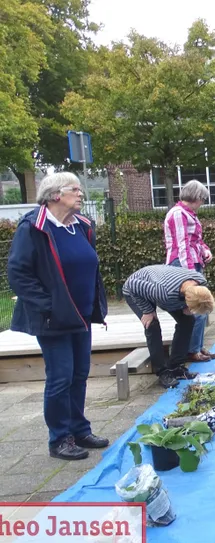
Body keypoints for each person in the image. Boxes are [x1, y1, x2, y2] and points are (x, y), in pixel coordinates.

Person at [7, 172, 109, 460]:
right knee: (60, 377)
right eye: (74, 189)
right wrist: (48, 306)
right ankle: (59, 439)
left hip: (81, 316)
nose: (81, 194)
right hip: (53, 319)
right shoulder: (34, 227)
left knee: (79, 374)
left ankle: (79, 430)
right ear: (55, 195)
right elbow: (18, 273)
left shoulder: (83, 226)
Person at [122, 264, 215, 389]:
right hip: (136, 289)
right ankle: (163, 372)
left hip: (162, 286)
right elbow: (133, 285)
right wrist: (147, 311)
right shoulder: (164, 292)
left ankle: (176, 367)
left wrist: (187, 309)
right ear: (187, 302)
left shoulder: (200, 281)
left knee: (188, 320)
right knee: (152, 325)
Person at [164, 180, 215, 363]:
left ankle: (197, 346)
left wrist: (206, 251)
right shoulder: (178, 214)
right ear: (196, 197)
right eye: (202, 199)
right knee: (195, 306)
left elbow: (196, 241)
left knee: (203, 306)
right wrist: (190, 274)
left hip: (193, 262)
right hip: (182, 265)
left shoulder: (189, 214)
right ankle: (192, 351)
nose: (202, 203)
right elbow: (182, 245)